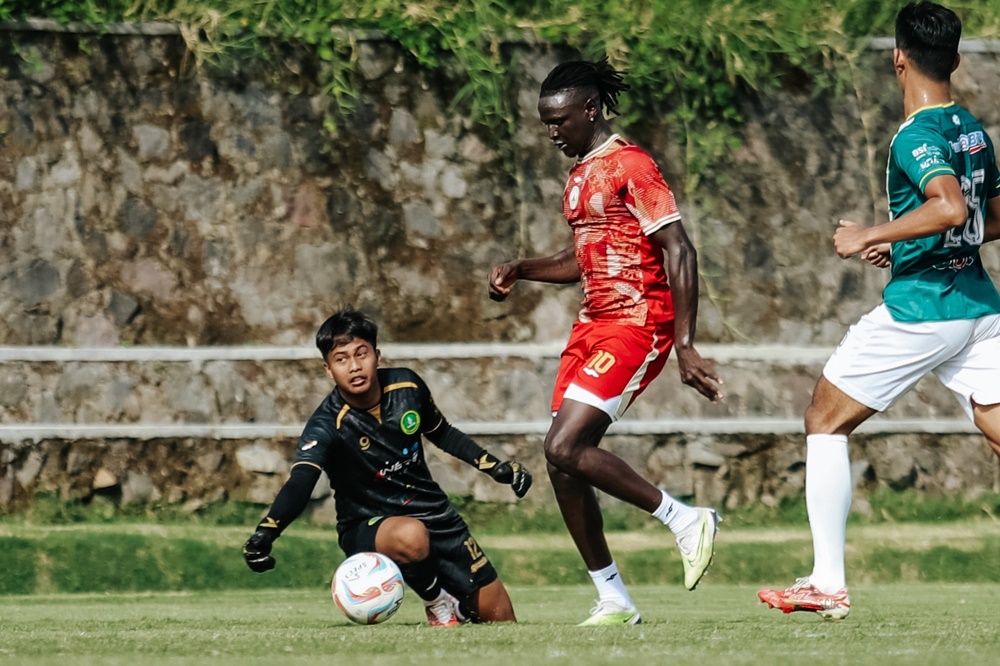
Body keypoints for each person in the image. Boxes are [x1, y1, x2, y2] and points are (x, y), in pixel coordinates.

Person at [759, 1, 1000, 621]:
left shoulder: (917, 135)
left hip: (926, 310)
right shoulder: (970, 128)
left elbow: (948, 207)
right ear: (954, 59)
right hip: (977, 306)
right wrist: (911, 244)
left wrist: (874, 232)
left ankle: (827, 583)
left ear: (898, 59)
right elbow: (987, 220)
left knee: (824, 418)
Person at [487, 57, 724, 626]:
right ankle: (614, 597)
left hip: (637, 323)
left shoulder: (631, 165)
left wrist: (685, 344)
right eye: (546, 122)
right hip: (592, 324)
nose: (552, 131)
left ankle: (684, 520)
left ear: (589, 109)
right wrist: (523, 268)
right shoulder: (579, 176)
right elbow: (583, 259)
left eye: (560, 120)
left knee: (564, 445)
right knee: (562, 463)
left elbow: (680, 249)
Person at [242, 308, 533, 626]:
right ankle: (439, 603)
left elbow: (442, 433)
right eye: (341, 359)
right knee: (411, 535)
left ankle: (460, 608)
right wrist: (266, 532)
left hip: (437, 515)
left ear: (377, 355)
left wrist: (495, 467)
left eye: (361, 354)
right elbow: (301, 481)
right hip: (368, 527)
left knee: (501, 619)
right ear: (328, 369)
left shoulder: (406, 386)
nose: (354, 366)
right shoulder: (326, 425)